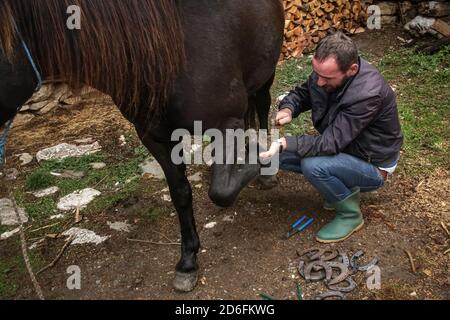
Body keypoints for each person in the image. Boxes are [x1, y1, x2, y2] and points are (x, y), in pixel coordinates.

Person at [260, 32, 403, 243]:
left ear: (352, 69)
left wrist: (284, 142)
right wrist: (289, 108)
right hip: (348, 149)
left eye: (326, 78)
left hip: (373, 166)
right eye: (316, 74)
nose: (319, 82)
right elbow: (303, 93)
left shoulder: (367, 95)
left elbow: (330, 143)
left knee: (313, 164)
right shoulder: (325, 73)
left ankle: (350, 215)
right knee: (278, 156)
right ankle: (339, 188)